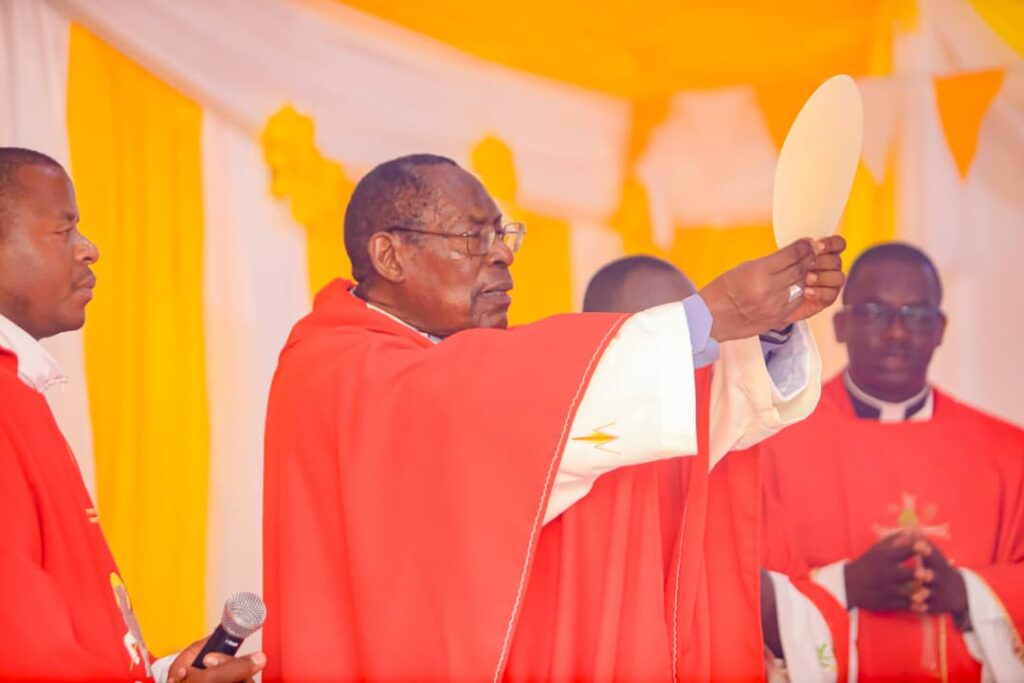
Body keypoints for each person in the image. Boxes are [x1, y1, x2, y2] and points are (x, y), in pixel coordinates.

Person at [262, 153, 847, 682]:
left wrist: (765, 326)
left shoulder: (455, 363)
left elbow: (617, 422)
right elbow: (476, 403)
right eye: (473, 236)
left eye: (502, 233)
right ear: (390, 256)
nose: (503, 253)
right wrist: (712, 316)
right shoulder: (338, 366)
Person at [0, 147, 264, 683]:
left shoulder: (21, 390)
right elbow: (26, 659)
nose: (89, 249)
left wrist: (160, 674)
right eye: (63, 231)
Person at [761, 242, 1024, 681]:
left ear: (940, 329)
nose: (897, 333)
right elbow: (741, 585)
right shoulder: (773, 443)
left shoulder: (1009, 454)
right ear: (841, 325)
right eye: (875, 313)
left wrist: (967, 591)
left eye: (915, 315)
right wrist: (847, 585)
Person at [583, 255, 849, 683]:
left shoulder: (725, 455)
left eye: (698, 341)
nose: (689, 361)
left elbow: (805, 599)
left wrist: (760, 595)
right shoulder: (569, 449)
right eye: (667, 338)